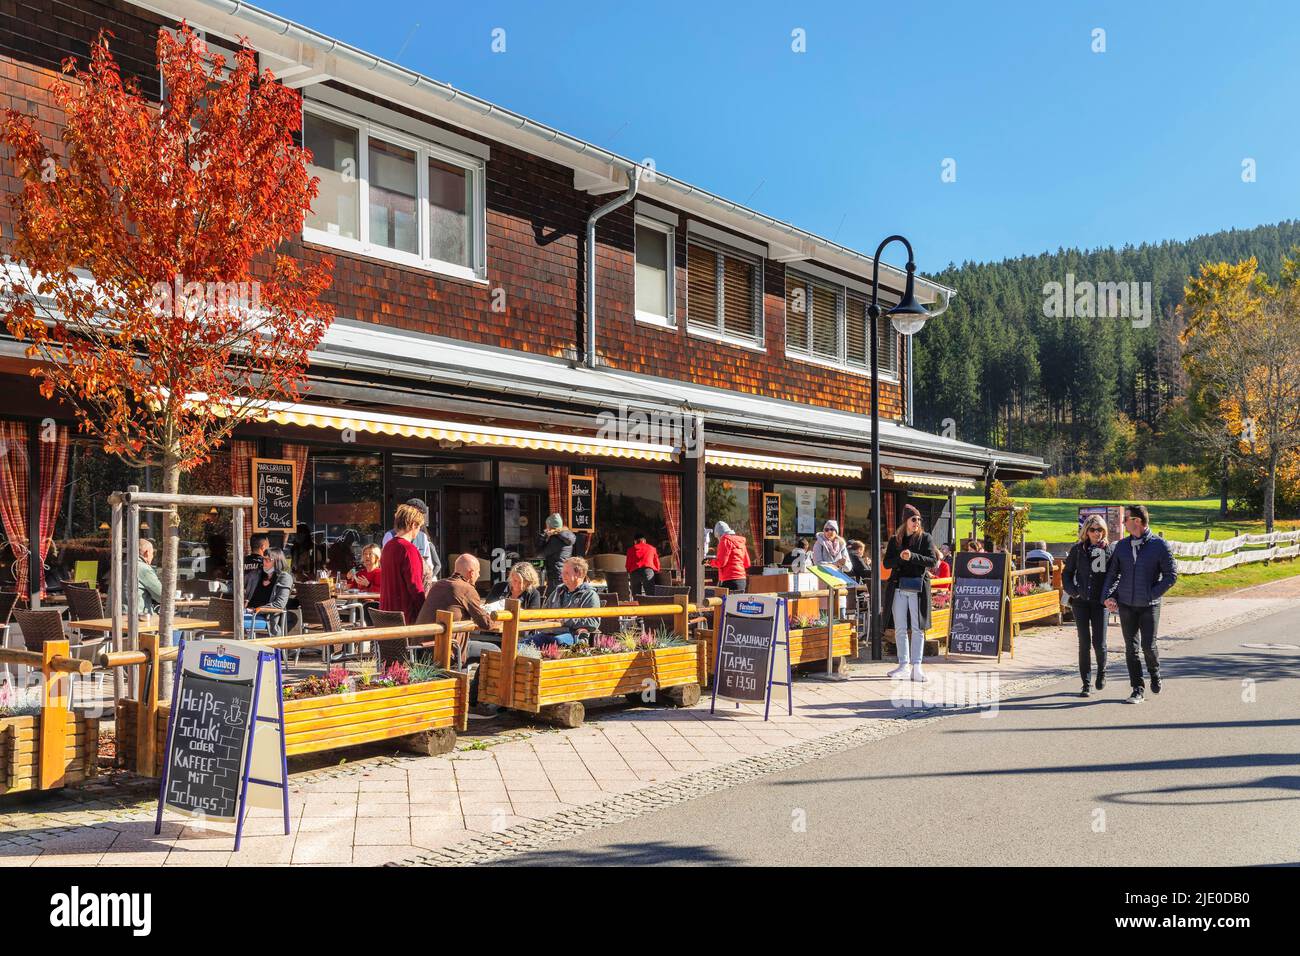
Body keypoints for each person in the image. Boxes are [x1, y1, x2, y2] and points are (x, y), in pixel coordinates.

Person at [1102, 504, 1177, 704]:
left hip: (1149, 604)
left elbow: (1171, 576)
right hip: (1126, 604)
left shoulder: (1160, 546)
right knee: (1131, 648)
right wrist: (1107, 596)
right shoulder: (1122, 546)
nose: (1123, 522)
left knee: (1148, 646)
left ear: (1137, 521)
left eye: (1126, 518)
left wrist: (1152, 593)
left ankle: (1155, 672)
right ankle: (1137, 688)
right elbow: (1113, 574)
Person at [882, 504, 939, 682]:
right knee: (899, 628)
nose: (917, 522)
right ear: (906, 521)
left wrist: (912, 556)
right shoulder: (895, 540)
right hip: (898, 587)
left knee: (917, 628)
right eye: (913, 519)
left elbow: (932, 560)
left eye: (919, 520)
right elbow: (886, 564)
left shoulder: (925, 538)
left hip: (918, 588)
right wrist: (900, 557)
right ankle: (903, 665)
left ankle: (917, 666)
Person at [416, 553, 500, 664]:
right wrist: (498, 620)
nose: (479, 575)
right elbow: (486, 623)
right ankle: (478, 681)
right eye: (478, 572)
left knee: (467, 643)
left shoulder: (438, 585)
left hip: (419, 649)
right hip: (447, 650)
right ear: (471, 573)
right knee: (495, 650)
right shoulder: (466, 589)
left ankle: (469, 678)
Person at [1064, 515, 1113, 697]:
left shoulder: (1108, 550)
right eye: (1092, 530)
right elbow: (1067, 574)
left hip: (1100, 604)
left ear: (1104, 531)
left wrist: (1109, 596)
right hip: (1081, 602)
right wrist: (1074, 591)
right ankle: (1086, 683)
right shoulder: (1077, 550)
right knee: (1084, 643)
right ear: (1086, 531)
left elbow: (1114, 575)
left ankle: (1102, 671)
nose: (1096, 533)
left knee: (1099, 643)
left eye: (1099, 529)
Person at [526, 556, 600, 647]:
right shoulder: (558, 591)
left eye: (567, 573)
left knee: (553, 642)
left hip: (572, 635)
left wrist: (564, 620)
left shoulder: (589, 595)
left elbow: (593, 622)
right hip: (549, 633)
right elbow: (544, 612)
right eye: (562, 572)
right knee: (520, 646)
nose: (562, 576)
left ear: (579, 574)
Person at [379, 503, 428, 625]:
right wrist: (426, 611)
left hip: (386, 614)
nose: (418, 532)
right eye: (419, 527)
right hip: (406, 617)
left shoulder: (387, 547)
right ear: (413, 525)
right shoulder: (409, 549)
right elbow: (415, 586)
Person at [382, 498, 442, 586]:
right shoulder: (390, 536)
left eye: (420, 514)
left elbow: (429, 565)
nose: (418, 516)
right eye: (414, 513)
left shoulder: (423, 537)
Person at [247, 548, 293, 635]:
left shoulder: (284, 578)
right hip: (250, 613)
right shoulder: (257, 574)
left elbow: (280, 604)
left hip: (266, 617)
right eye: (263, 558)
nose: (264, 562)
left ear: (277, 561)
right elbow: (238, 585)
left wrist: (258, 610)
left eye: (268, 560)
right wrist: (220, 586)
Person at [538, 513, 576, 594]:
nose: (546, 528)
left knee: (552, 600)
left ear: (551, 527)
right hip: (562, 572)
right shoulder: (566, 537)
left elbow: (541, 554)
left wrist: (543, 537)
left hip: (555, 575)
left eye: (547, 526)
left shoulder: (555, 539)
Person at [710, 521, 750, 592]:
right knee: (738, 602)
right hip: (742, 580)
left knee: (726, 602)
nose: (718, 539)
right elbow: (747, 563)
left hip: (729, 580)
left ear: (719, 535)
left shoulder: (725, 541)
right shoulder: (741, 542)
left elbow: (721, 563)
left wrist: (710, 562)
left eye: (717, 537)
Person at [134, 538, 164, 616]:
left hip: (111, 619)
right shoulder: (143, 568)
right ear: (146, 553)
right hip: (136, 619)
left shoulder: (118, 566)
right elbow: (162, 596)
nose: (152, 556)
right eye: (152, 553)